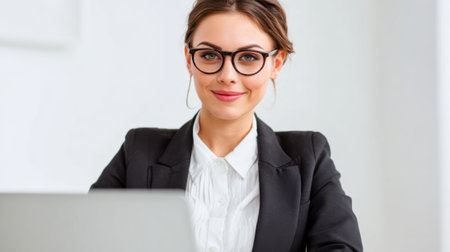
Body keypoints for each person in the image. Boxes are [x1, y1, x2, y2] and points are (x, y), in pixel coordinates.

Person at [90, 0, 363, 251]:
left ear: (276, 63)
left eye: (248, 57)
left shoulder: (309, 159)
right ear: (189, 59)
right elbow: (84, 239)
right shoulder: (139, 151)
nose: (227, 75)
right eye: (209, 55)